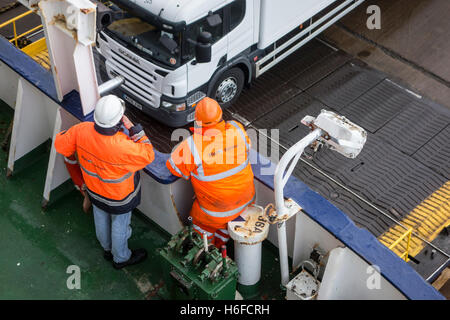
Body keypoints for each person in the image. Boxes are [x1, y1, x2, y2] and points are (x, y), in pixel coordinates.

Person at [54, 95, 155, 269]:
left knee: (100, 219)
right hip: (119, 198)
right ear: (118, 122)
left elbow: (61, 144)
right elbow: (148, 154)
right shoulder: (123, 145)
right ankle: (121, 258)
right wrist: (134, 129)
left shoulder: (81, 130)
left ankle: (107, 249)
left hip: (95, 192)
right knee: (120, 226)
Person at [166, 97, 255, 248]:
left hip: (215, 214)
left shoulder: (192, 146)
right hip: (246, 203)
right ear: (220, 114)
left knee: (200, 224)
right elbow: (247, 145)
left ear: (196, 120)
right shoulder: (237, 129)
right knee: (225, 227)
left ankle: (207, 248)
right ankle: (223, 243)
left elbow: (173, 167)